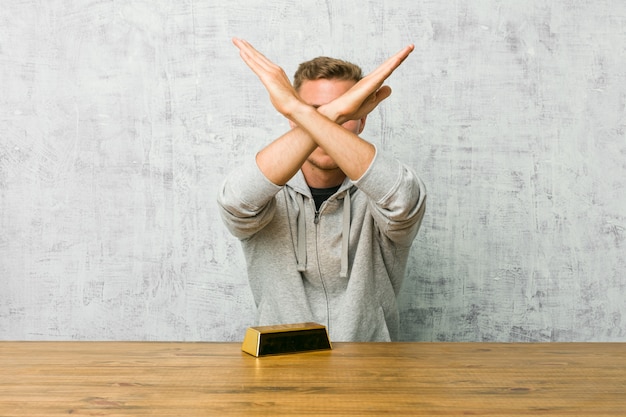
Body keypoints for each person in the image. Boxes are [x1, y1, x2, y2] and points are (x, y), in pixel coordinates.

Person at [218, 38, 426, 342]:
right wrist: (332, 115)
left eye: (343, 114)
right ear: (291, 121)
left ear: (362, 121)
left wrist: (301, 110)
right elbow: (235, 204)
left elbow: (405, 203)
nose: (331, 124)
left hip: (371, 373)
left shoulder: (381, 193)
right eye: (312, 111)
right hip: (279, 371)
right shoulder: (266, 192)